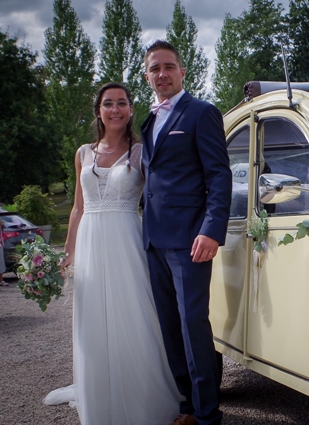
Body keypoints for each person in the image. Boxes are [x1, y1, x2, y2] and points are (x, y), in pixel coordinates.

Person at [44, 82, 182, 424]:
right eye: (108, 103)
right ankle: (100, 395)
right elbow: (77, 208)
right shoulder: (82, 153)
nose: (115, 109)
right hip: (91, 241)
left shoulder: (141, 152)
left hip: (127, 240)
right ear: (98, 111)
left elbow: (160, 196)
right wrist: (68, 251)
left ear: (131, 109)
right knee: (94, 319)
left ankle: (142, 395)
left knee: (134, 313)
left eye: (122, 103)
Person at [141, 40, 232, 425]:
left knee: (193, 324)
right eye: (154, 68)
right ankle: (188, 406)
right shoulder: (148, 120)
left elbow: (219, 175)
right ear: (147, 75)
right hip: (153, 240)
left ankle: (208, 414)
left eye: (168, 67)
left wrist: (211, 230)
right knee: (169, 325)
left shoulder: (201, 113)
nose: (162, 74)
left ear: (182, 71)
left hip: (190, 239)